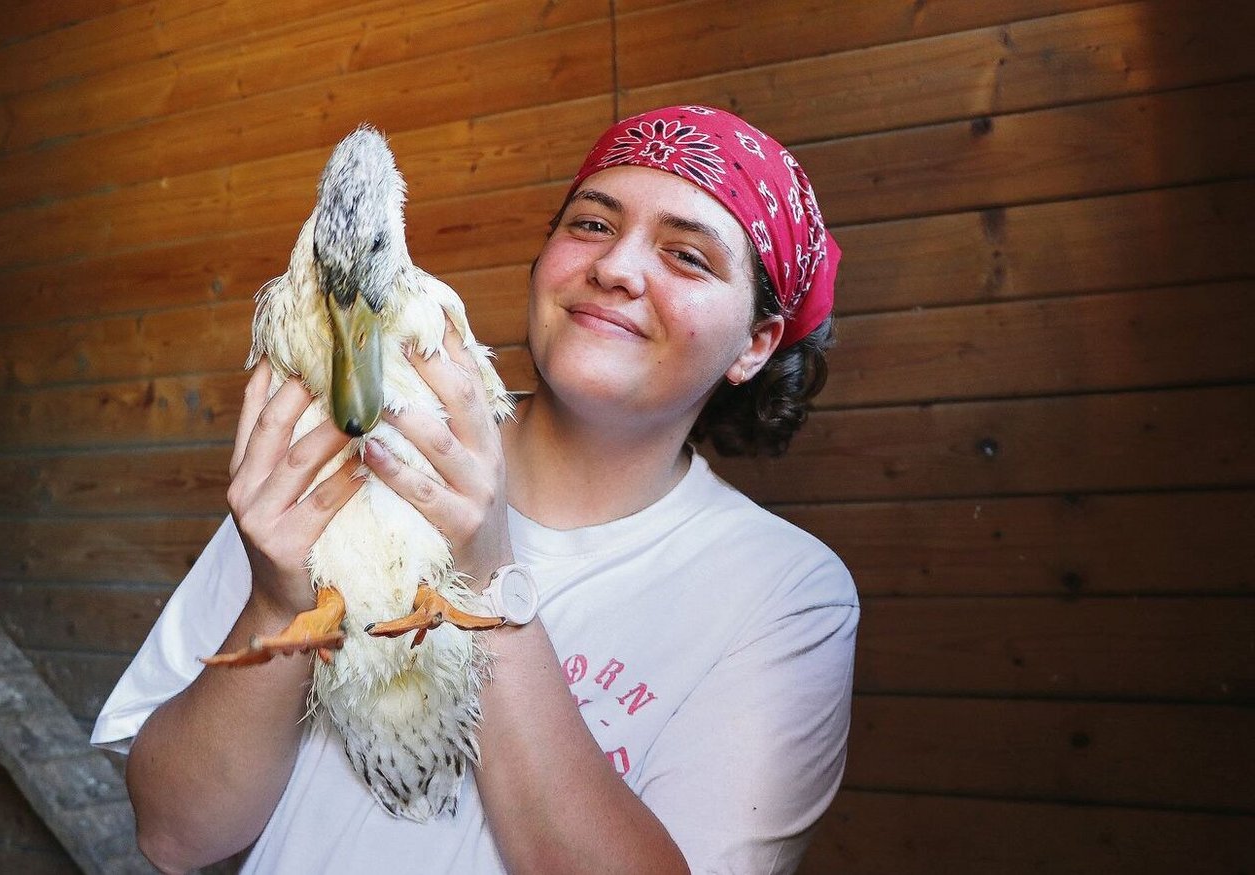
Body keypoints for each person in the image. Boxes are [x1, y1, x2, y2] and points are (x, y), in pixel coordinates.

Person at [93, 105, 859, 874]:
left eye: (689, 257)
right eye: (592, 224)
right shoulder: (337, 464)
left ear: (755, 344)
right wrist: (275, 604)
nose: (618, 267)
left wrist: (489, 583)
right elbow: (171, 833)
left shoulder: (785, 592)